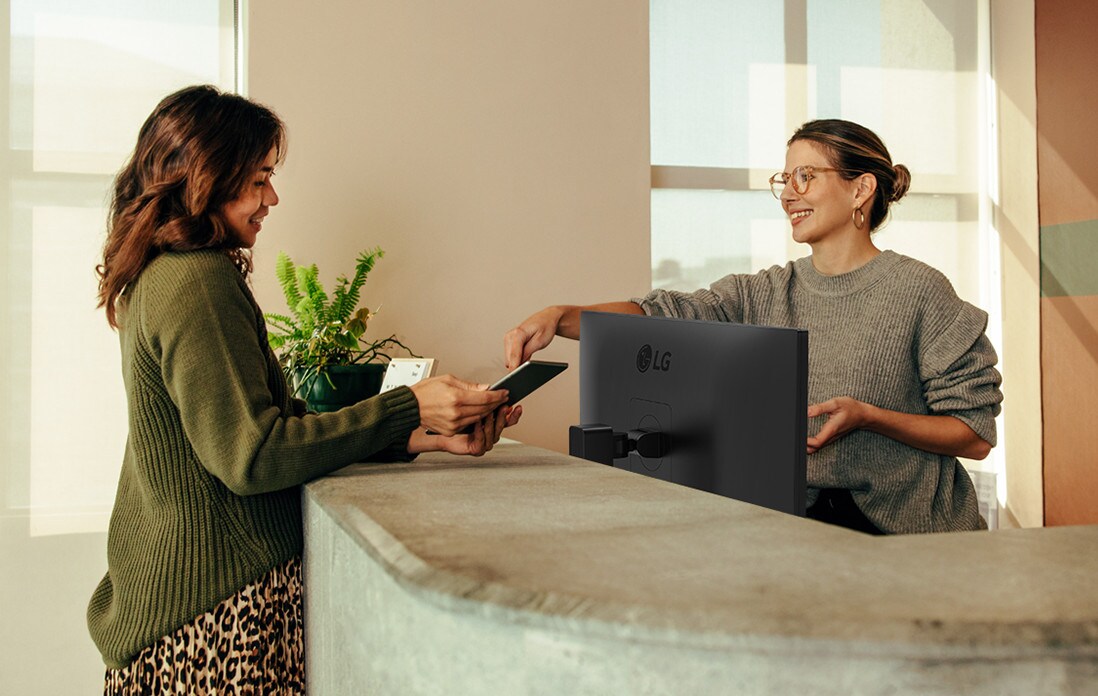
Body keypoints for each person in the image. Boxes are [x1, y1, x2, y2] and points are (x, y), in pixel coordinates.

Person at [88, 85, 520, 694]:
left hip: (188, 605)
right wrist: (407, 404)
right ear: (210, 176)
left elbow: (273, 430)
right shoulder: (197, 283)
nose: (273, 197)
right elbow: (254, 455)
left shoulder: (165, 275)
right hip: (214, 616)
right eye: (259, 177)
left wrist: (421, 436)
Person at [505, 118, 1002, 536]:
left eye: (805, 176)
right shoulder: (766, 291)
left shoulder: (920, 291)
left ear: (861, 188)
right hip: (797, 528)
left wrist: (870, 417)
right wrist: (562, 316)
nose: (788, 194)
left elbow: (973, 435)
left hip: (910, 541)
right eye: (783, 180)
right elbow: (662, 315)